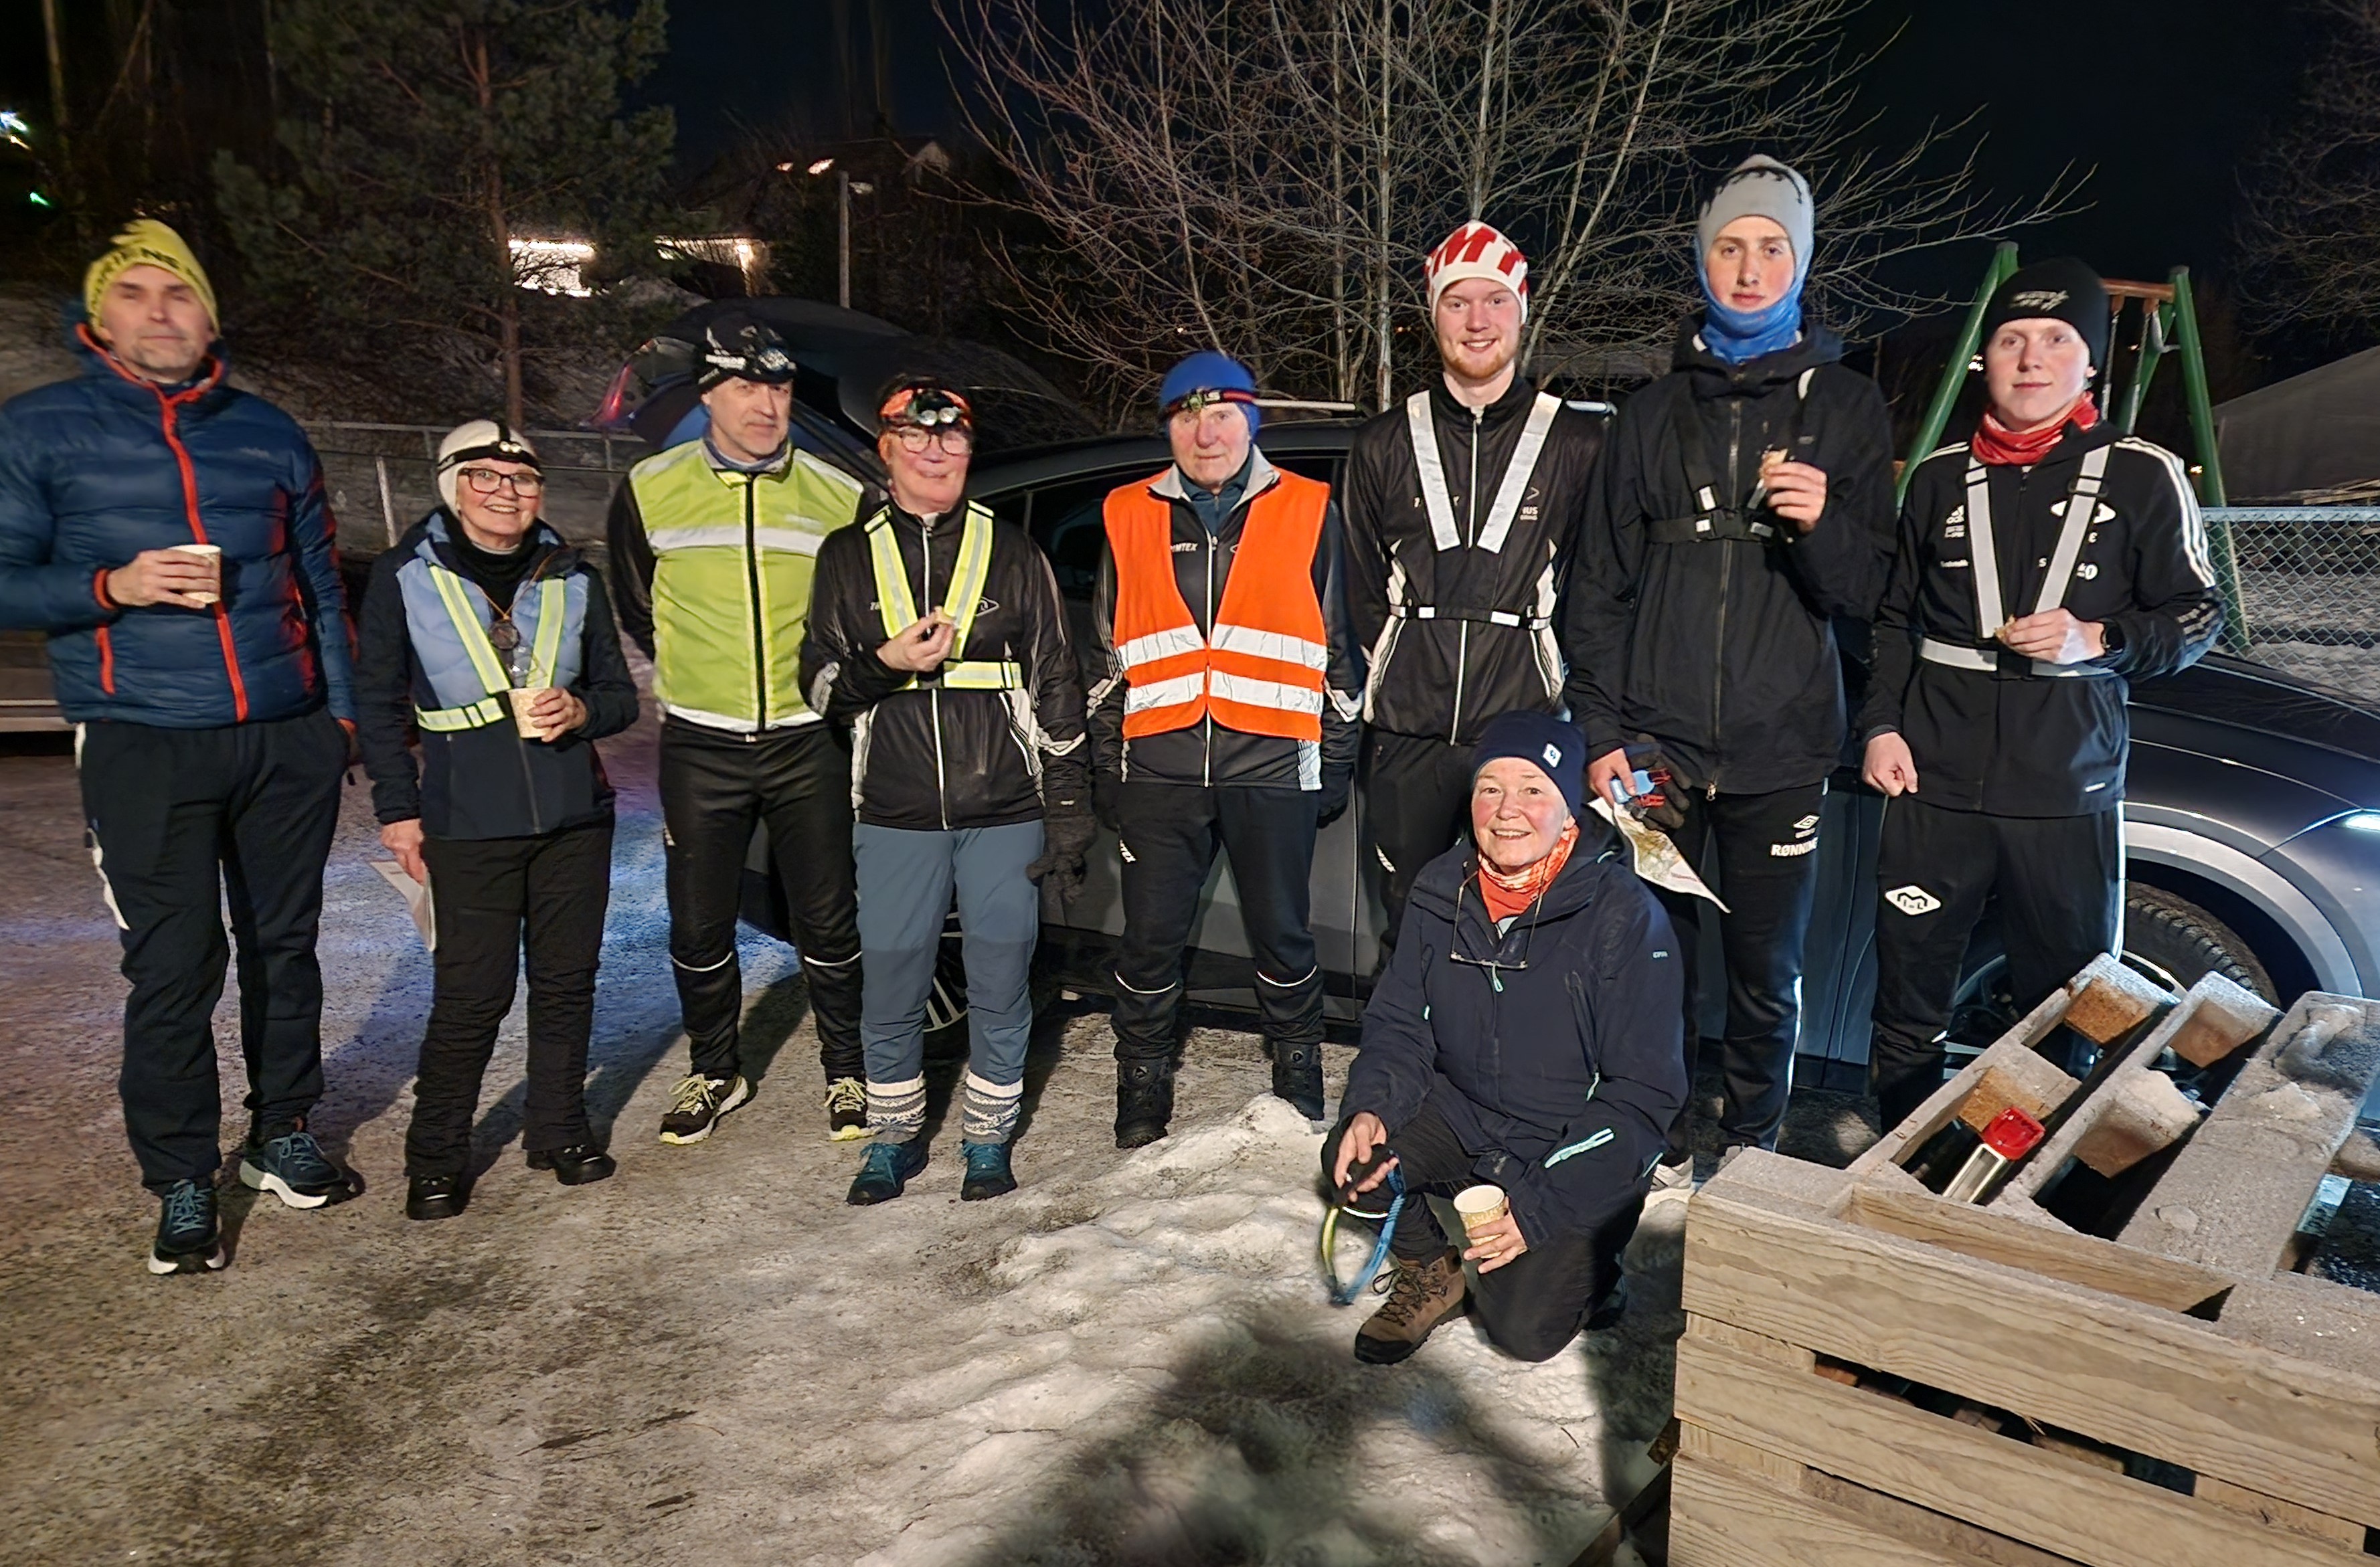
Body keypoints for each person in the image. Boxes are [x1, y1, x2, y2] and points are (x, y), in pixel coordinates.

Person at [0, 220, 358, 1275]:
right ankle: (184, 1176)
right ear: (99, 316)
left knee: (284, 946)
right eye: (137, 294)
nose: (160, 311)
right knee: (173, 965)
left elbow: (321, 587)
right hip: (144, 739)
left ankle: (282, 1130)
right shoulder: (40, 430)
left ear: (209, 317)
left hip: (281, 735)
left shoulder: (268, 433)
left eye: (180, 294)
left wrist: (333, 720)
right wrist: (113, 585)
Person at [1561, 156, 1895, 1182]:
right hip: (1654, 748)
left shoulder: (1847, 405)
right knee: (1653, 958)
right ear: (1703, 262)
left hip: (1781, 747)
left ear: (1801, 263)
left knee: (1765, 967)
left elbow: (1866, 587)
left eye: (1770, 248)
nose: (1748, 269)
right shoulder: (1650, 414)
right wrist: (1606, 732)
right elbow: (1598, 587)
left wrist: (1819, 522)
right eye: (1729, 248)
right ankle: (1655, 1132)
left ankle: (1750, 1142)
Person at [1861, 260, 2221, 1129]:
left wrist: (2101, 638)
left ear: (2089, 362)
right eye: (2011, 341)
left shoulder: (2144, 474)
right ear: (1985, 359)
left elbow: (2200, 613)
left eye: (2055, 341)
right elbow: (1891, 618)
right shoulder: (1942, 476)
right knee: (1909, 1000)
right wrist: (1879, 726)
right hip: (1933, 784)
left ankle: (2028, 1196)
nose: (2030, 359)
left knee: (2064, 1006)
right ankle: (1895, 1178)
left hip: (2066, 790)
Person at [799, 379, 1093, 1204]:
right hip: (893, 812)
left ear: (969, 449)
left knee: (1002, 978)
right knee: (891, 982)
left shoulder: (1013, 550)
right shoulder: (846, 555)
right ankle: (891, 1140)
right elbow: (817, 687)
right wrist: (883, 663)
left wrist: (1068, 806)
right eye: (914, 435)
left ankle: (988, 1138)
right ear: (886, 447)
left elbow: (1057, 683)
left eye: (953, 437)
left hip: (1003, 807)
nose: (935, 450)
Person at [1325, 711, 1685, 1364]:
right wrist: (1373, 1104)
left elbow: (1643, 1098)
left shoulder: (1624, 914)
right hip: (1464, 1110)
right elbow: (1399, 1021)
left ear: (1568, 802)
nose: (1506, 809)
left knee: (1523, 1329)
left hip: (1566, 1139)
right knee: (1357, 1166)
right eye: (1490, 787)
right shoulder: (1441, 886)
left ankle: (1598, 1265)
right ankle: (1431, 1268)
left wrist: (1541, 1205)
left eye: (1532, 788)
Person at [356, 422, 641, 1220]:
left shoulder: (576, 573)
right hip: (464, 817)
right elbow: (377, 704)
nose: (506, 492)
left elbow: (621, 697)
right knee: (472, 995)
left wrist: (581, 707)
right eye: (484, 476)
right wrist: (397, 811)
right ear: (452, 484)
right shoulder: (404, 575)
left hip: (572, 815)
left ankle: (559, 1129)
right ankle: (437, 1154)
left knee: (566, 984)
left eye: (522, 479)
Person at [1086, 351, 1363, 1145]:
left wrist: (1335, 757)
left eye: (1219, 414)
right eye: (1183, 416)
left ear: (1251, 419)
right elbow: (1108, 653)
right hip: (1160, 767)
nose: (1203, 432)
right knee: (1149, 941)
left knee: (1283, 933)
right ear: (1168, 427)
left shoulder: (1311, 508)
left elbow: (1339, 648)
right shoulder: (1127, 511)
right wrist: (1111, 761)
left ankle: (1296, 1069)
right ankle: (1141, 1083)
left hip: (1273, 762)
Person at [608, 312, 870, 1146]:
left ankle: (846, 1068)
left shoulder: (836, 494)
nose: (766, 403)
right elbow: (638, 605)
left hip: (806, 740)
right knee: (698, 922)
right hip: (702, 744)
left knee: (827, 920)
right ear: (710, 392)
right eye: (747, 385)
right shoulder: (652, 486)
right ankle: (714, 1069)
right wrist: (700, 678)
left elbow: (853, 612)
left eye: (780, 386)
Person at [1342, 223, 1604, 943]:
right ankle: (1405, 1059)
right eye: (1457, 304)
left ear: (1521, 312)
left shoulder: (1578, 443)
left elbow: (1597, 591)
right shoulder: (1382, 442)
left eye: (1495, 301)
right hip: (1407, 736)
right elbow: (1359, 588)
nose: (1477, 321)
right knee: (1409, 925)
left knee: (1522, 931)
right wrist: (1399, 676)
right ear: (1434, 317)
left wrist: (1574, 708)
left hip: (1525, 732)